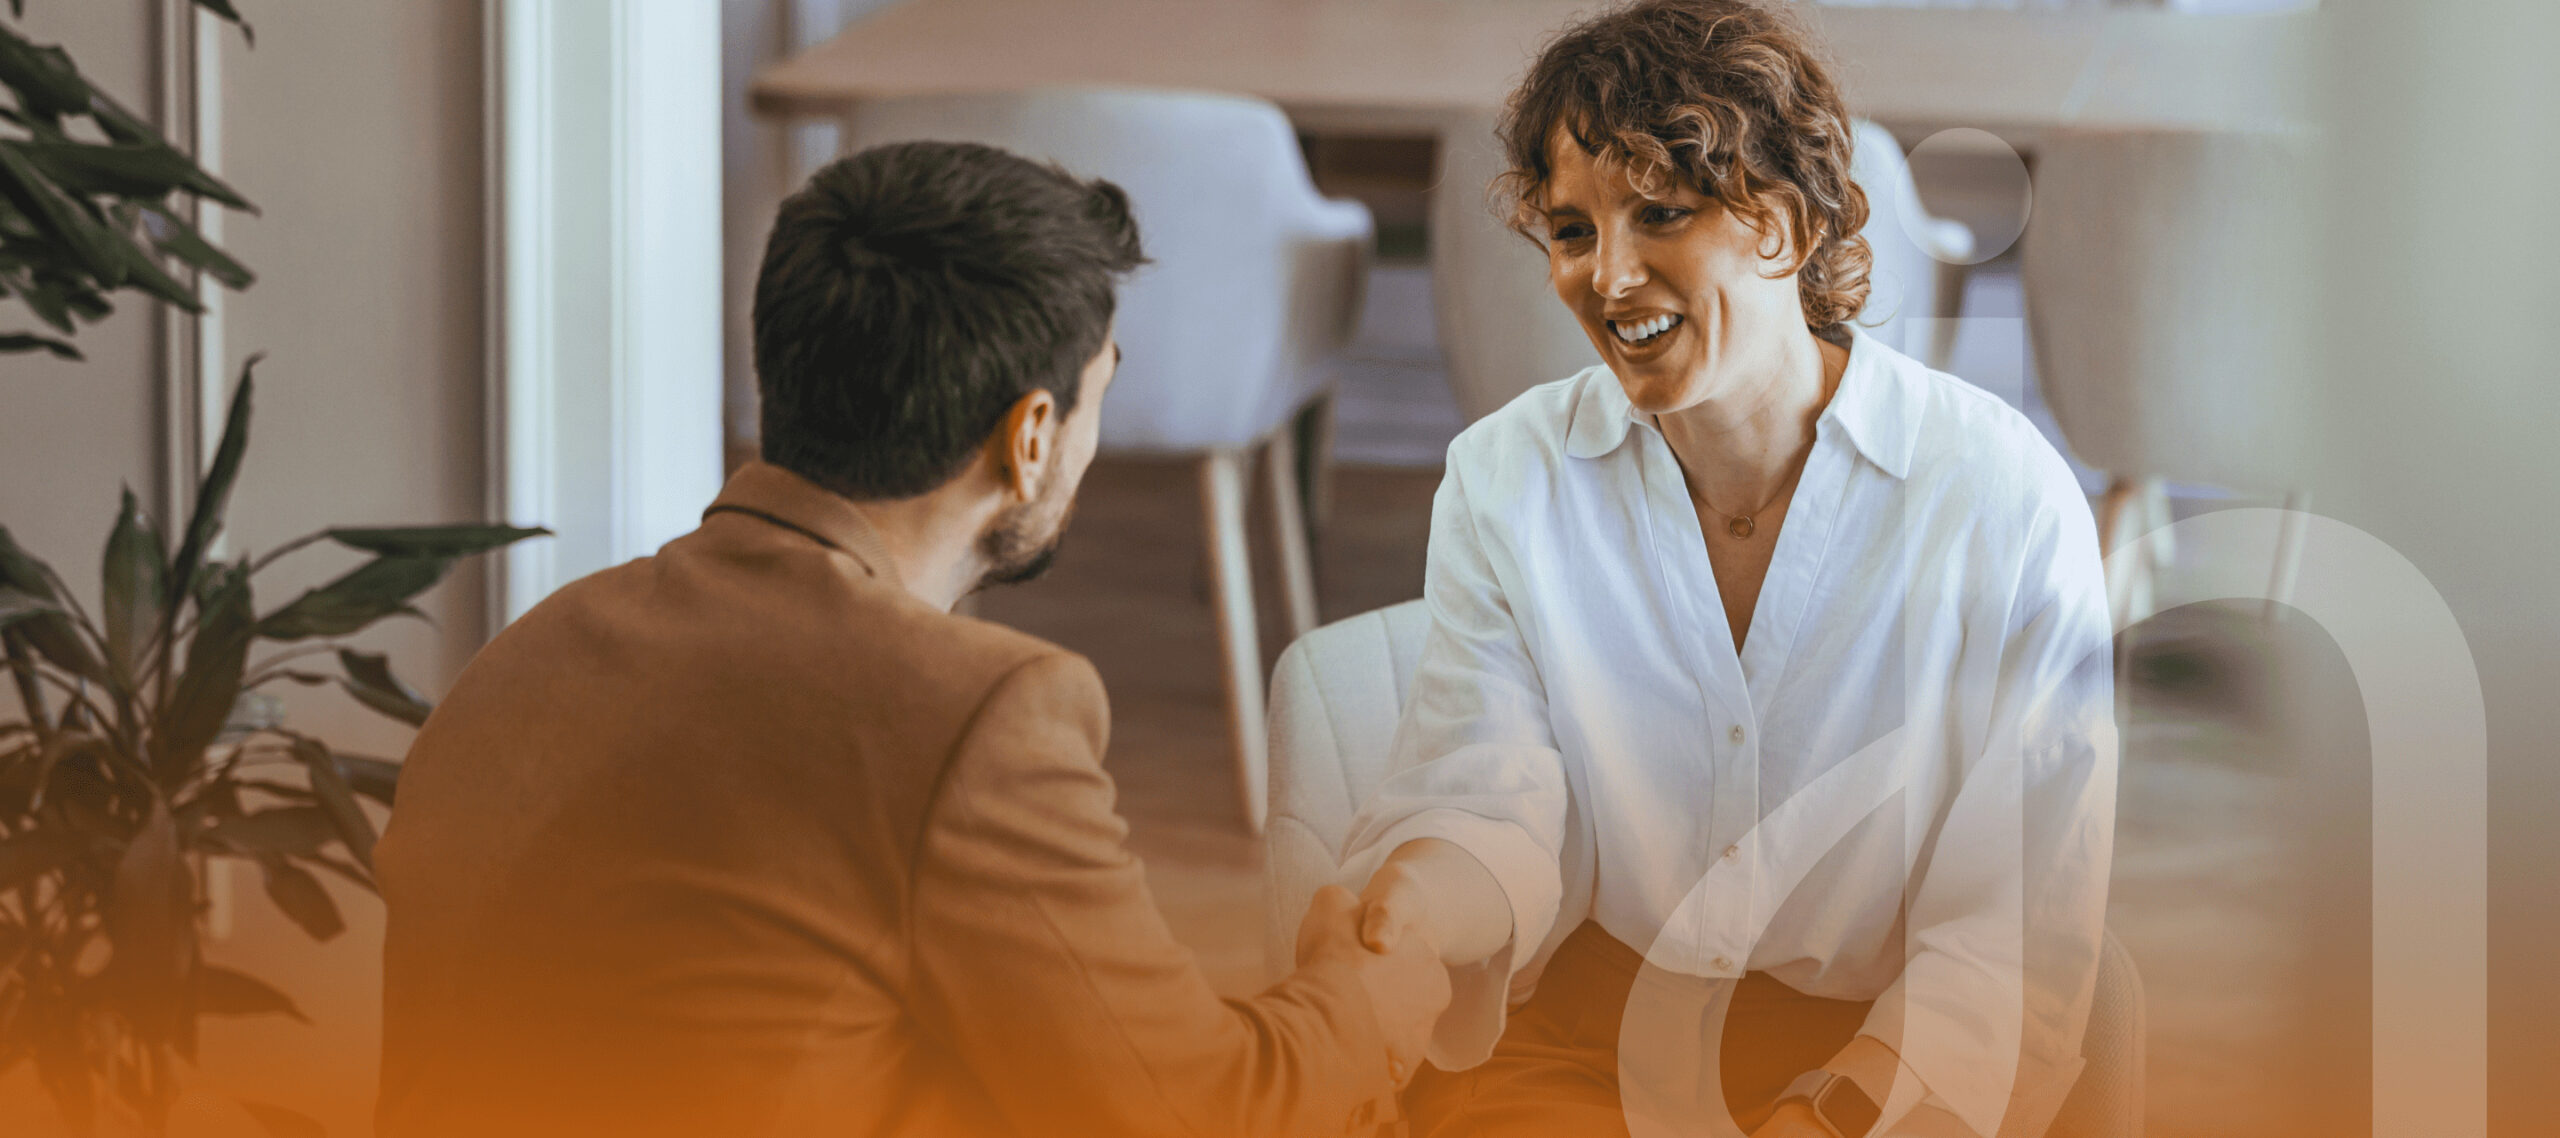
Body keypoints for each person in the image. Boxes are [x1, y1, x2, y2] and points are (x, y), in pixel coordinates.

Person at [375, 140, 1448, 1137]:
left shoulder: (527, 653)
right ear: (1030, 437)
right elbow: (1195, 1112)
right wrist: (1365, 1000)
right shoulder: (972, 711)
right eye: (1097, 397)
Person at [1335, 3, 2117, 1137]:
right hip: (1578, 1048)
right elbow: (1491, 801)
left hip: (1875, 1062)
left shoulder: (2003, 502)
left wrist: (1830, 1117)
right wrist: (1415, 899)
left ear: (1786, 227)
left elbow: (2014, 932)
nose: (1607, 276)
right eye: (1571, 231)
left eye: (1662, 212)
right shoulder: (1506, 476)